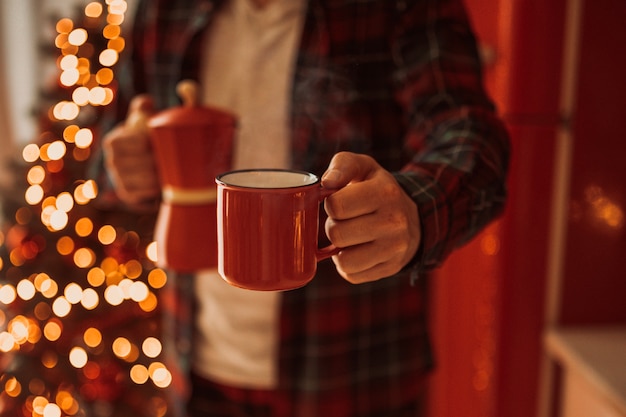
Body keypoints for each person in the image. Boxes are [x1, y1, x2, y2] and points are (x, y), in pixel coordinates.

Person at [98, 0, 510, 416]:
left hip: (352, 380)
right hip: (199, 374)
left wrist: (415, 207)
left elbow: (468, 135)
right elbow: (105, 153)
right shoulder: (161, 10)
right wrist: (126, 166)